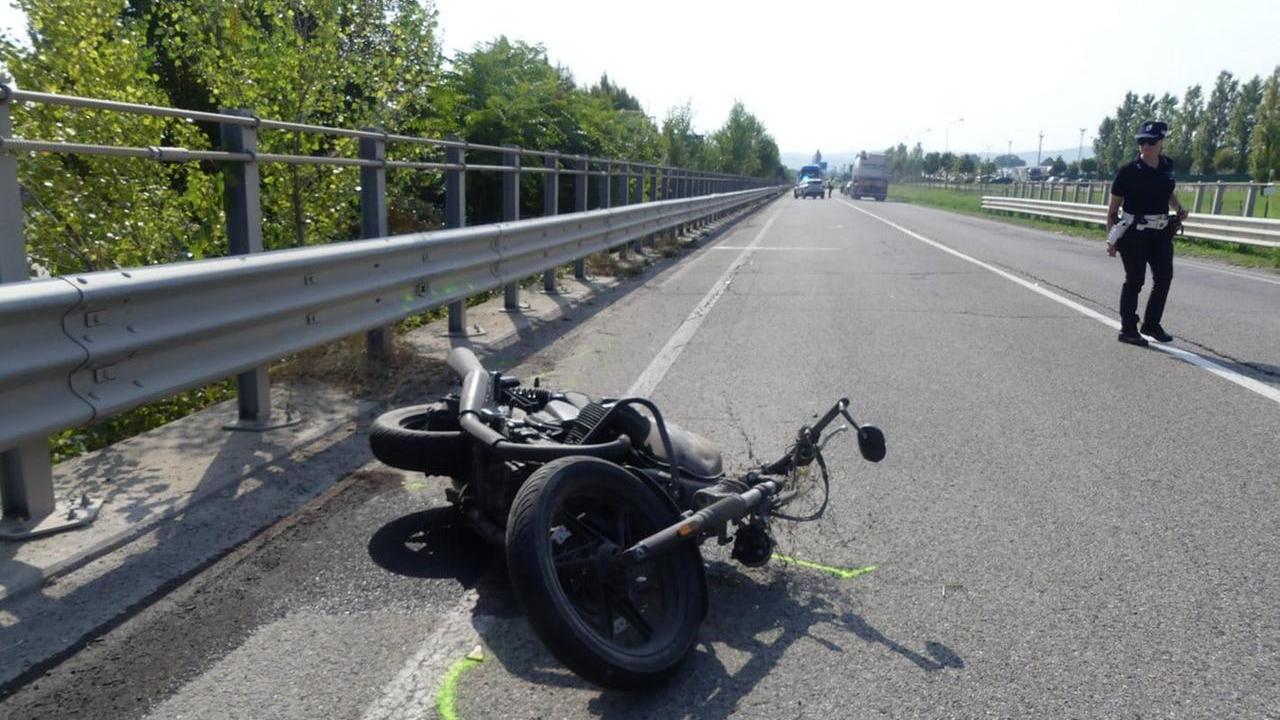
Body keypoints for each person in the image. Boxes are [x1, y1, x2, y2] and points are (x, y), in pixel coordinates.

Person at [1105, 120, 1188, 347]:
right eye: (1142, 142)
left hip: (1161, 233)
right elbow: (1113, 210)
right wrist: (1111, 239)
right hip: (1134, 233)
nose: (1146, 146)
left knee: (1164, 278)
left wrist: (1178, 208)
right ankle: (1128, 329)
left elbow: (1168, 192)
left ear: (1161, 142)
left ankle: (1151, 323)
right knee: (1135, 280)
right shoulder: (1128, 172)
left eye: (1151, 142)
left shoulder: (1167, 166)